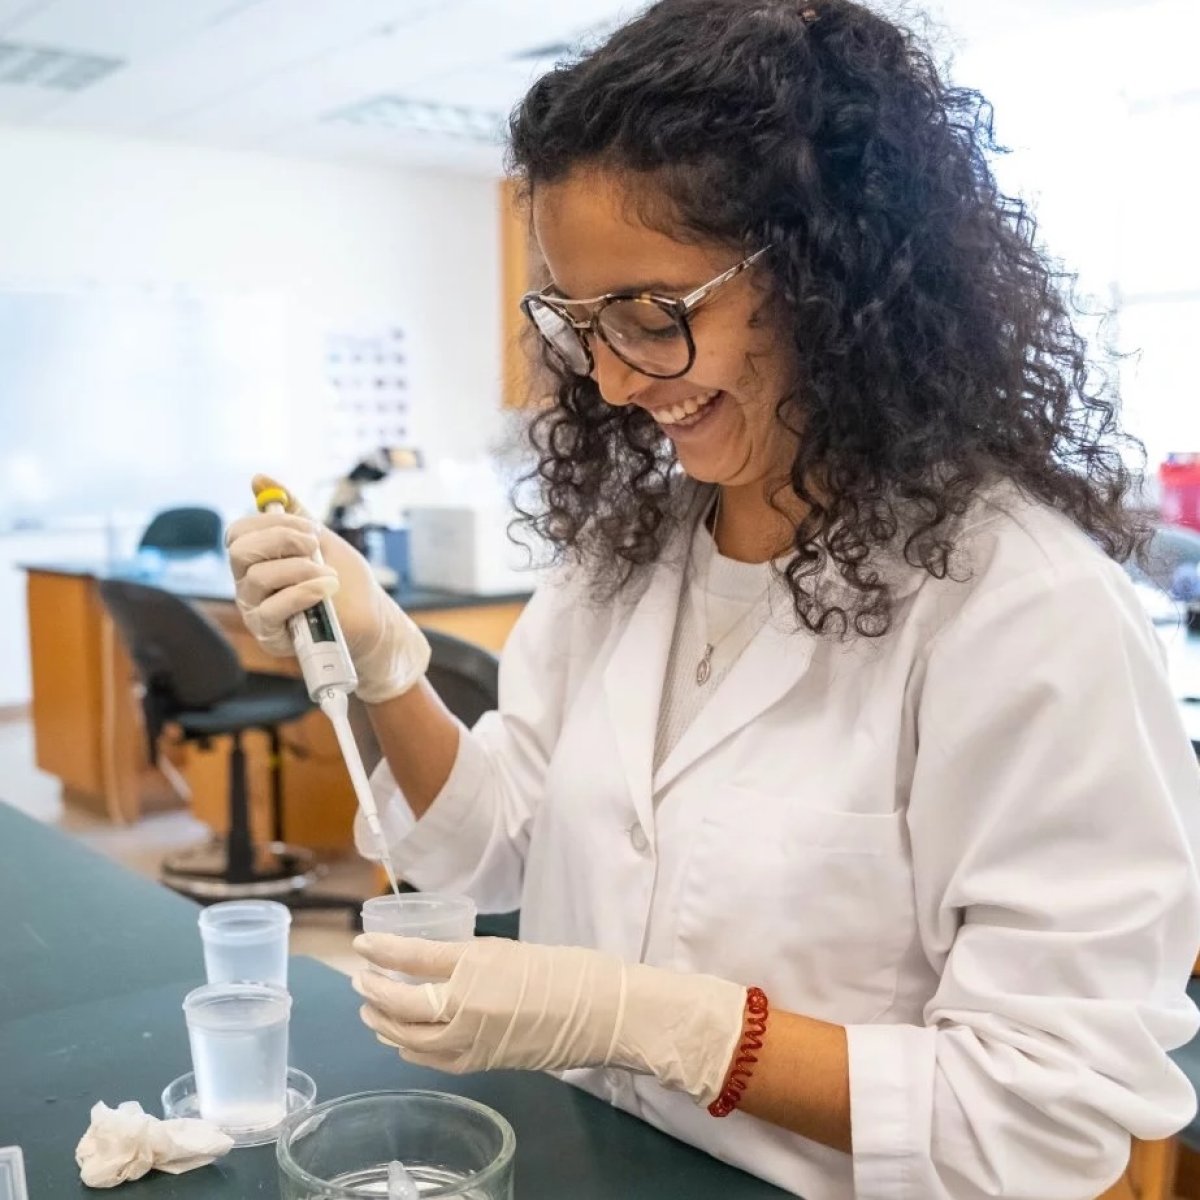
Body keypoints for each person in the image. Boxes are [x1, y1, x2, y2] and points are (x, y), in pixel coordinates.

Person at [225, 1, 1200, 1196]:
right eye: (583, 323)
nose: (620, 379)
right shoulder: (630, 551)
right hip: (591, 1156)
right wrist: (389, 673)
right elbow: (493, 853)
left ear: (834, 278)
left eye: (655, 313)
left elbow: (1041, 1113)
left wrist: (664, 1025)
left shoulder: (1025, 613)